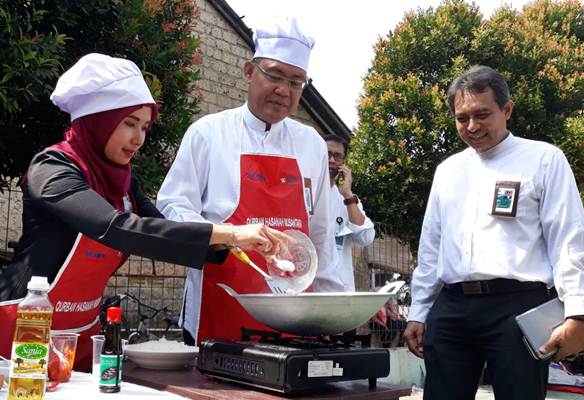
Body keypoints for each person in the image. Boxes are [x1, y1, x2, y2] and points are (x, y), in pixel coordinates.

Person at [0, 53, 286, 370]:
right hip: (22, 326)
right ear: (98, 120)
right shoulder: (52, 167)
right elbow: (118, 227)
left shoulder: (124, 182)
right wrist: (230, 231)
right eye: (129, 123)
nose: (139, 139)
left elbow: (162, 232)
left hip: (81, 334)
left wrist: (234, 245)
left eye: (145, 127)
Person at [403, 65, 584, 400]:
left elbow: (567, 239)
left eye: (482, 114)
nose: (472, 126)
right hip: (452, 307)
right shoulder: (448, 171)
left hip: (517, 307)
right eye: (462, 118)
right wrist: (419, 311)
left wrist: (577, 312)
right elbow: (432, 247)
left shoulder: (544, 159)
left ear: (507, 110)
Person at [156, 16, 338, 344]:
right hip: (220, 303)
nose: (284, 91)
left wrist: (328, 311)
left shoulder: (311, 143)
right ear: (248, 72)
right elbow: (172, 207)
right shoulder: (208, 133)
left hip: (294, 315)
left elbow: (322, 232)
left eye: (296, 82)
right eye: (275, 76)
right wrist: (228, 235)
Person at [323, 134, 375, 292]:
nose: (332, 160)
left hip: (340, 292)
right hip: (307, 289)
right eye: (327, 154)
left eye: (337, 156)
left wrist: (347, 195)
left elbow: (365, 238)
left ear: (343, 163)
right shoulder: (301, 193)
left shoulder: (348, 200)